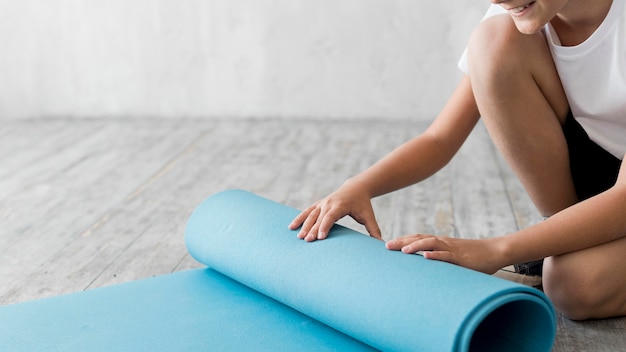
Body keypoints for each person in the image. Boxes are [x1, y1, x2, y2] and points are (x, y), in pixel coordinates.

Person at [288, 0, 626, 321]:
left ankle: (561, 251)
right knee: (493, 41)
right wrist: (359, 186)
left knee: (572, 286)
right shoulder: (520, 10)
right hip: (596, 181)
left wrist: (497, 250)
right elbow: (439, 139)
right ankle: (561, 235)